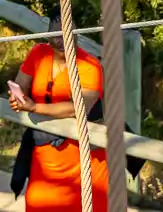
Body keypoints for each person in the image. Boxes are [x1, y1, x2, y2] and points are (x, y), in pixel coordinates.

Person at [8, 34, 108, 212]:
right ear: (48, 37)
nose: (61, 42)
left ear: (74, 35)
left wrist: (34, 108)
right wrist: (18, 97)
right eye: (55, 37)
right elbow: (21, 83)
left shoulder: (89, 64)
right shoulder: (39, 53)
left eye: (65, 37)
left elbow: (79, 107)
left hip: (83, 160)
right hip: (44, 156)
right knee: (38, 202)